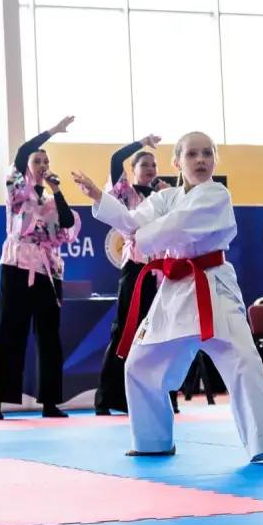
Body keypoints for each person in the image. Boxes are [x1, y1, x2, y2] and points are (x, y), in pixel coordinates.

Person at [71, 132, 263, 466]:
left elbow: (178, 226)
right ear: (176, 163)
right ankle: (152, 441)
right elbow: (133, 221)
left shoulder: (216, 194)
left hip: (213, 287)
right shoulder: (165, 199)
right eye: (192, 154)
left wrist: (141, 237)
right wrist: (99, 196)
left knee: (244, 361)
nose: (201, 160)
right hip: (176, 290)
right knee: (140, 363)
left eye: (207, 153)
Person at [0, 117, 79, 420]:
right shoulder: (18, 191)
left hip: (48, 271)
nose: (41, 165)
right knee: (10, 332)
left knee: (49, 336)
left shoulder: (52, 200)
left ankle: (50, 402)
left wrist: (58, 190)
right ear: (26, 166)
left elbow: (67, 224)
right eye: (36, 160)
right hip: (17, 265)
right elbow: (23, 150)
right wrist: (52, 131)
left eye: (45, 161)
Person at [95, 135, 169, 416]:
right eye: (144, 164)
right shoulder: (126, 194)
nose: (150, 169)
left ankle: (156, 397)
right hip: (136, 268)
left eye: (154, 165)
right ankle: (106, 398)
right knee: (125, 329)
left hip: (161, 272)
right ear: (134, 170)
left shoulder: (162, 198)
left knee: (158, 332)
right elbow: (115, 159)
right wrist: (142, 142)